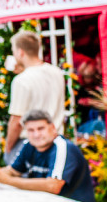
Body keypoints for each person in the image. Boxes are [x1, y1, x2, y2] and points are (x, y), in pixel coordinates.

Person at [0, 109, 96, 202]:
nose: (36, 135)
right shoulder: (29, 145)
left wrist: (7, 180)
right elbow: (13, 171)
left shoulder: (63, 147)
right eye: (31, 130)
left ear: (52, 128)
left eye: (41, 129)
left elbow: (54, 185)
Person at [4, 30, 65, 163]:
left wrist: (8, 148)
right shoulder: (57, 72)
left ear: (20, 52)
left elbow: (16, 122)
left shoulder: (22, 80)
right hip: (55, 140)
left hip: (30, 143)